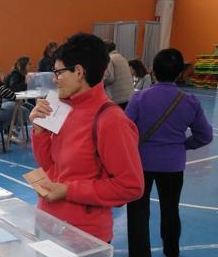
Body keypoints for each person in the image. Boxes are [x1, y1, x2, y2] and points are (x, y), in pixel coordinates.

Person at [29, 32, 144, 243]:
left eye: (58, 72)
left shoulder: (111, 120)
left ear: (79, 72)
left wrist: (68, 190)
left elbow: (130, 186)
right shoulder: (62, 107)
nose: (55, 80)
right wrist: (40, 131)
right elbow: (50, 166)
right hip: (48, 223)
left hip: (83, 237)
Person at [125, 48, 212, 257]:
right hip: (173, 164)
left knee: (138, 211)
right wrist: (183, 145)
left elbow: (125, 130)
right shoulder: (189, 101)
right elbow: (205, 135)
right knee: (171, 208)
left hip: (141, 163)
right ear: (179, 73)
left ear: (153, 71)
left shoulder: (140, 98)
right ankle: (172, 251)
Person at [103, 41, 134, 109]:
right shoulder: (122, 57)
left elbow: (109, 78)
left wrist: (101, 81)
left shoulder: (109, 59)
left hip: (118, 98)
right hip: (129, 96)